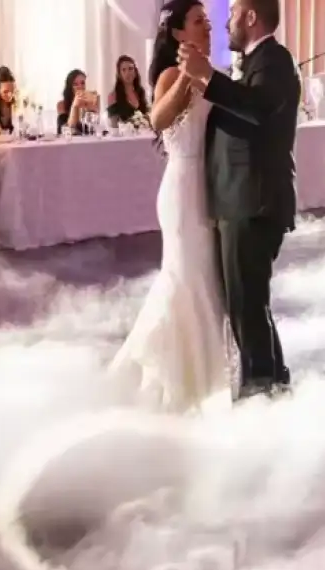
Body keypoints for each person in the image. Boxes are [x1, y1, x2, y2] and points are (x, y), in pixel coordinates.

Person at [109, 0, 230, 413]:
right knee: (185, 281)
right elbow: (158, 121)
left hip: (208, 188)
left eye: (208, 22)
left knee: (206, 283)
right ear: (178, 33)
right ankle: (173, 385)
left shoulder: (212, 74)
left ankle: (204, 384)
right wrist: (187, 76)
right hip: (182, 190)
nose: (208, 28)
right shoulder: (169, 75)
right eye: (199, 22)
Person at [178, 0, 300, 399]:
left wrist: (206, 76)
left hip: (253, 200)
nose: (226, 21)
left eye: (231, 12)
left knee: (246, 307)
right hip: (242, 199)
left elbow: (259, 108)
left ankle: (258, 395)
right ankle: (274, 384)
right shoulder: (254, 63)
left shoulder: (274, 60)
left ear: (250, 17)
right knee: (250, 304)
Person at [107, 55, 149, 127]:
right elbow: (114, 126)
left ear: (135, 71)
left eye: (130, 69)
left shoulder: (141, 92)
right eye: (124, 70)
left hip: (144, 132)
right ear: (119, 74)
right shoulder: (113, 96)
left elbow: (147, 116)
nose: (128, 73)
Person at [56, 69, 100, 136]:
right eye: (75, 84)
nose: (80, 87)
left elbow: (95, 128)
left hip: (88, 140)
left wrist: (93, 109)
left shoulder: (92, 101)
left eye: (83, 83)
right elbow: (67, 130)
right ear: (70, 87)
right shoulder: (61, 104)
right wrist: (75, 106)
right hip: (67, 140)